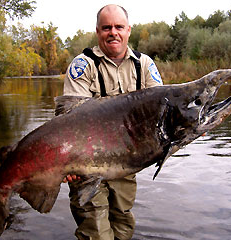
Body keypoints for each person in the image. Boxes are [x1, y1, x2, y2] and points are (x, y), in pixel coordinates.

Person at [62, 4, 163, 240]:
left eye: (119, 27)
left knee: (123, 223)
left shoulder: (145, 65)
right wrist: (67, 162)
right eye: (107, 27)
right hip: (85, 164)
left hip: (126, 163)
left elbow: (161, 112)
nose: (113, 32)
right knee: (95, 229)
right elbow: (69, 122)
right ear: (98, 31)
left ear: (129, 30)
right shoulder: (82, 66)